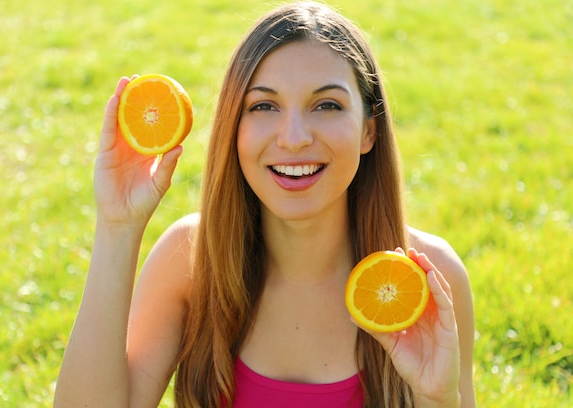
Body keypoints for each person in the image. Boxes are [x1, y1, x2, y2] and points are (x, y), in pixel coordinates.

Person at [54, 1, 476, 407]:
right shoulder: (190, 261)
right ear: (233, 130)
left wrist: (437, 401)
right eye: (264, 106)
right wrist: (117, 225)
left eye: (327, 105)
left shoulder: (427, 281)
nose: (294, 137)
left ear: (369, 131)